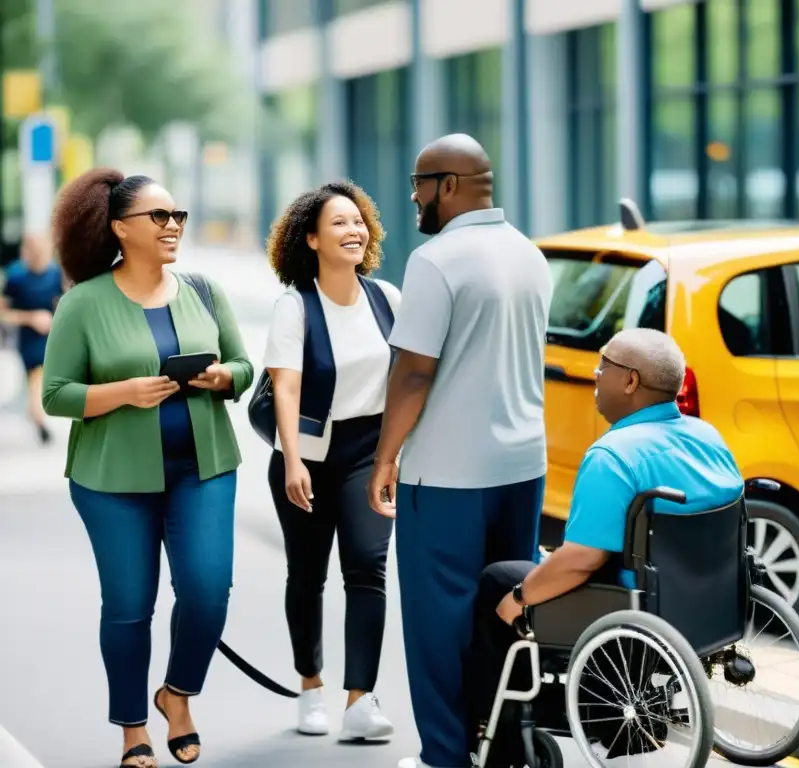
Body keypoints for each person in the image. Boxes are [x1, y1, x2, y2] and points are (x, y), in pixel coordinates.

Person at [42, 168, 254, 768]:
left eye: (177, 216)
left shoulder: (204, 291)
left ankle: (177, 694)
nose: (173, 226)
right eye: (159, 217)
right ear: (120, 229)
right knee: (130, 604)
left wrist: (222, 378)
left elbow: (243, 366)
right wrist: (124, 392)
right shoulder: (82, 303)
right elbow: (55, 395)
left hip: (204, 468)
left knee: (209, 591)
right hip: (112, 482)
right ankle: (133, 725)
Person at [463, 329, 745, 763]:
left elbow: (583, 560)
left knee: (498, 581)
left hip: (633, 609)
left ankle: (494, 737)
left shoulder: (612, 456)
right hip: (705, 604)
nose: (595, 374)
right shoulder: (708, 437)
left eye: (604, 366)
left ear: (630, 381)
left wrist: (518, 599)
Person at [366, 134, 553, 768]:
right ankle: (500, 746)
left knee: (438, 623)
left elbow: (414, 372)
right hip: (523, 466)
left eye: (419, 184)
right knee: (506, 608)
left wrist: (386, 456)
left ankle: (444, 755)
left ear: (448, 186)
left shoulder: (436, 259)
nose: (414, 198)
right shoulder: (531, 254)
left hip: (447, 475)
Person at [261, 180, 399, 739]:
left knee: (367, 567)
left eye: (358, 220)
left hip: (370, 452)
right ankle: (310, 684)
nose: (353, 230)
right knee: (308, 574)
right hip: (309, 454)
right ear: (312, 239)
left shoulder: (388, 298)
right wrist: (293, 460)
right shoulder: (295, 306)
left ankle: (360, 701)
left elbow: (411, 378)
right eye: (339, 223)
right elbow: (286, 389)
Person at [0, 232, 64, 444]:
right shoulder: (15, 277)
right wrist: (31, 318)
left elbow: (65, 303)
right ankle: (38, 418)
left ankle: (35, 414)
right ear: (26, 252)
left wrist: (54, 318)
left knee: (44, 382)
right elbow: (4, 313)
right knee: (37, 377)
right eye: (33, 251)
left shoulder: (56, 274)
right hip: (29, 340)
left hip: (54, 335)